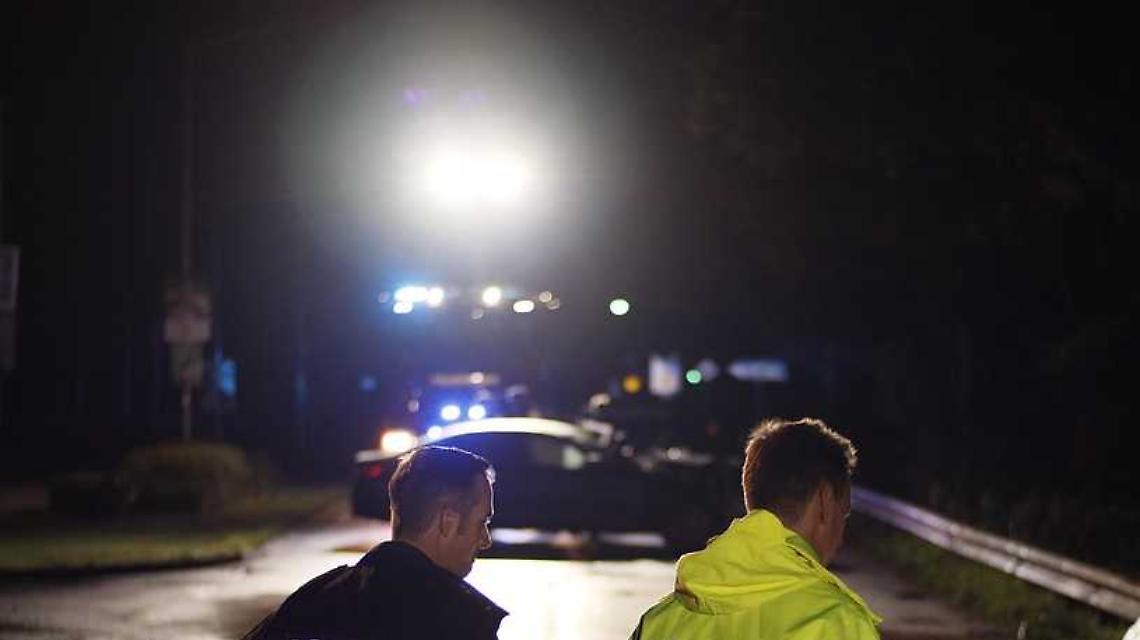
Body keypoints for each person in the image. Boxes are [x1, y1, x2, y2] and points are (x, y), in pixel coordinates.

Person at [629, 417, 882, 639]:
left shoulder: (659, 623)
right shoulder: (836, 623)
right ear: (825, 500)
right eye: (844, 513)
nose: (840, 539)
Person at [243, 446, 506, 640]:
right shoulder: (461, 623)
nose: (485, 540)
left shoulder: (312, 602)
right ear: (447, 522)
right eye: (482, 521)